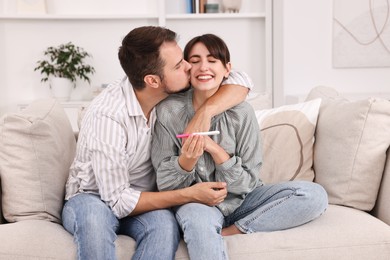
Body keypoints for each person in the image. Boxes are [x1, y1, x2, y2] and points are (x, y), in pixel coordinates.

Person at [62, 26, 253, 260]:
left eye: (183, 59)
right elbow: (119, 200)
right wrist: (189, 194)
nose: (189, 67)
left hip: (143, 198)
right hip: (93, 196)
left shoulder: (167, 91)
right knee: (94, 218)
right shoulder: (108, 116)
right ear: (152, 80)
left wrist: (205, 111)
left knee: (164, 225)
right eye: (179, 65)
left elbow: (240, 79)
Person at [151, 34, 328, 260]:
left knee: (314, 194)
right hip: (195, 203)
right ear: (187, 68)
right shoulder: (169, 111)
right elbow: (164, 185)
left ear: (227, 69)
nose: (203, 67)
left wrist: (217, 152)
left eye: (212, 60)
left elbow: (250, 182)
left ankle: (231, 232)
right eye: (194, 61)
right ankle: (208, 232)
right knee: (197, 219)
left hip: (242, 202)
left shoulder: (242, 113)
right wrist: (187, 160)